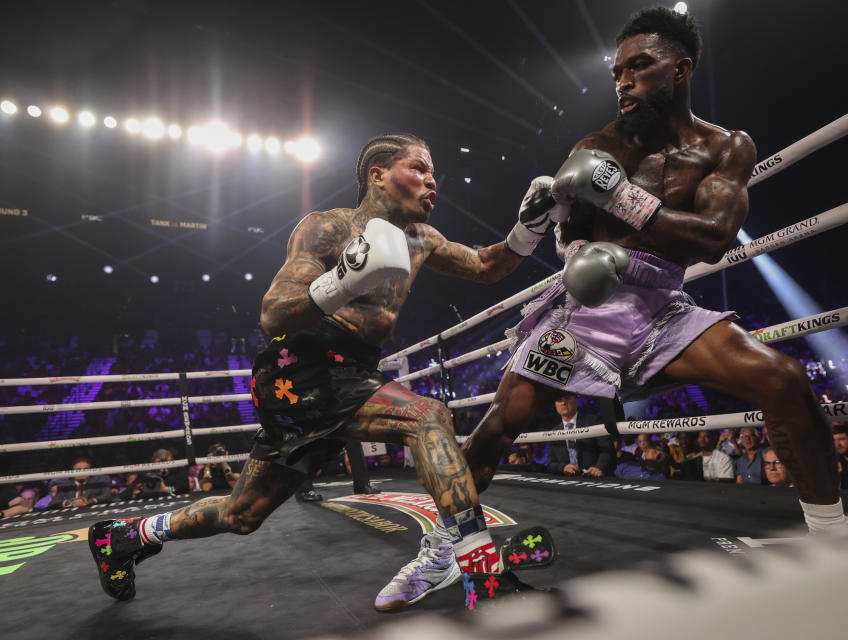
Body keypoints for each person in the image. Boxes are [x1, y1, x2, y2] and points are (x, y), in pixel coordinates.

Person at [88, 133, 554, 608]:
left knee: (243, 512)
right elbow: (273, 314)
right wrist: (344, 279)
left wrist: (528, 228)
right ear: (378, 175)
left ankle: (127, 537)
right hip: (301, 368)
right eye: (418, 168)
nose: (432, 180)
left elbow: (484, 265)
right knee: (427, 415)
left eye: (434, 172)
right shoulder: (328, 228)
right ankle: (485, 578)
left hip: (352, 372)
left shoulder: (422, 239)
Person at [460, 6, 846, 537]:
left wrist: (620, 195)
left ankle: (831, 532)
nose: (623, 81)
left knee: (784, 380)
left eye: (638, 67)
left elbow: (714, 238)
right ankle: (441, 547)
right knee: (498, 426)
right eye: (618, 72)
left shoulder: (726, 146)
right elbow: (572, 234)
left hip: (663, 309)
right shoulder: (595, 146)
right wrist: (558, 237)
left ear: (679, 70)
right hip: (583, 311)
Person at [545, 394, 613, 477]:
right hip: (567, 482)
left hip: (594, 478)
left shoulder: (593, 421)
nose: (563, 403)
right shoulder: (554, 432)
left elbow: (608, 449)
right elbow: (550, 464)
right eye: (559, 400)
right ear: (555, 405)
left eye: (567, 398)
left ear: (576, 400)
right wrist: (563, 467)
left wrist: (599, 468)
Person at [47, 457, 113, 508]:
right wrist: (71, 503)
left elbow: (107, 496)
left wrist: (90, 501)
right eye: (78, 470)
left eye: (85, 469)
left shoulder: (98, 481)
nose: (82, 472)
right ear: (73, 471)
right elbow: (53, 503)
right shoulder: (64, 485)